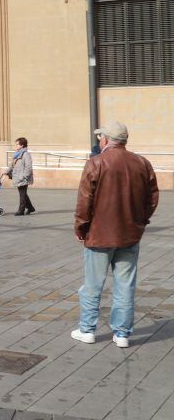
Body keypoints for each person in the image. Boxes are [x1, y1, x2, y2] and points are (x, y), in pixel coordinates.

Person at [72, 121, 159, 349]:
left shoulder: (96, 163)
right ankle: (122, 333)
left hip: (99, 235)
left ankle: (87, 329)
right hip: (129, 234)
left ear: (106, 140)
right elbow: (152, 198)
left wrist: (81, 227)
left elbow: (84, 201)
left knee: (93, 284)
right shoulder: (142, 163)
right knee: (125, 285)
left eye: (100, 138)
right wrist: (140, 222)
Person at [7, 137, 35, 215]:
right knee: (23, 194)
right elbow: (12, 164)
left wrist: (23, 176)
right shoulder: (17, 154)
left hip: (23, 178)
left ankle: (21, 210)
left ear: (22, 145)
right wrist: (7, 172)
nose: (16, 146)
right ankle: (30, 208)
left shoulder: (26, 154)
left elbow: (28, 167)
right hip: (18, 177)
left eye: (17, 144)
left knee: (22, 194)